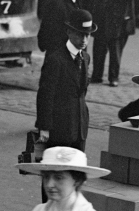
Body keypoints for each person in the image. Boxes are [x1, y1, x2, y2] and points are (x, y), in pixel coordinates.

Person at [36, 9, 95, 150]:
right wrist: (44, 127)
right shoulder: (56, 59)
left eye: (87, 35)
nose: (84, 40)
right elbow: (45, 95)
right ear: (69, 32)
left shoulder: (85, 58)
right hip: (60, 128)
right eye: (80, 35)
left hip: (80, 128)